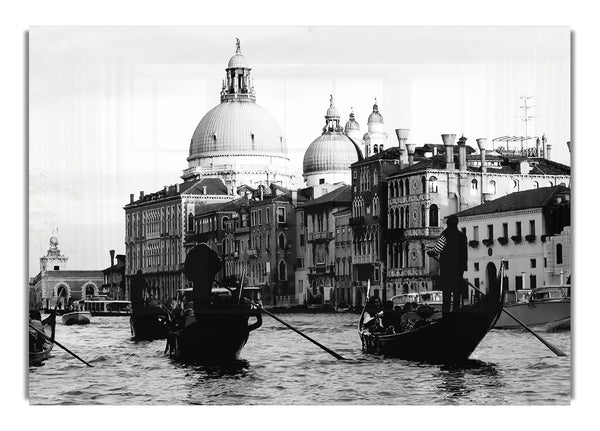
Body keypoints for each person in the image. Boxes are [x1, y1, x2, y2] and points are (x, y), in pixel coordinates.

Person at [427, 214, 468, 314]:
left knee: (447, 291)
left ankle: (446, 313)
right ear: (457, 223)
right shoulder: (462, 236)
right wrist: (464, 266)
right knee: (457, 291)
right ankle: (456, 311)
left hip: (447, 268)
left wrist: (430, 252)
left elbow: (437, 249)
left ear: (448, 223)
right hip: (459, 268)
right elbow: (465, 253)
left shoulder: (445, 234)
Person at [183, 243, 223, 310]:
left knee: (198, 301)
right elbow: (219, 266)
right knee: (206, 298)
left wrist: (193, 277)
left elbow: (186, 269)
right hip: (207, 282)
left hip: (197, 283)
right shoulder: (211, 254)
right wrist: (211, 274)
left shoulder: (192, 254)